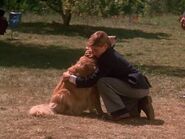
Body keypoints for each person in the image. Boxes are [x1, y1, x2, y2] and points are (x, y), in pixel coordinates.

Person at [63, 31, 155, 121]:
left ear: (105, 46)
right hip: (138, 87)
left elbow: (92, 81)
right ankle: (142, 103)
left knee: (102, 82)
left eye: (96, 50)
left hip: (136, 88)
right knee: (130, 112)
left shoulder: (106, 59)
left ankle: (119, 113)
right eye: (92, 49)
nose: (93, 53)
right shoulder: (108, 52)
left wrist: (71, 78)